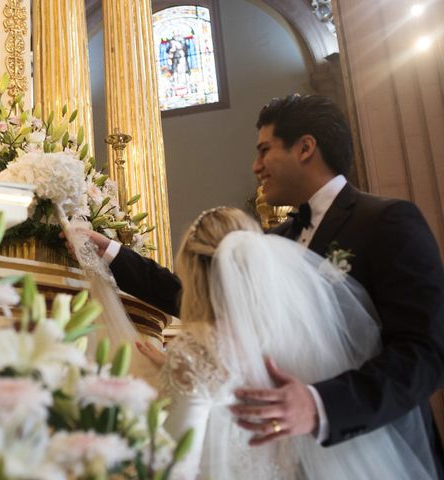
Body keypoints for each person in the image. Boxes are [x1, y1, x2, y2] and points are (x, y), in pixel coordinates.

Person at [86, 94, 444, 476]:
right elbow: (202, 296)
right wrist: (111, 253)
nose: (256, 166)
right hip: (285, 455)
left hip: (370, 446)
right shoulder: (275, 239)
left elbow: (424, 352)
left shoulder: (386, 221)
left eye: (264, 150)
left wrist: (318, 405)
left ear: (305, 148)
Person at [135, 206, 436, 479]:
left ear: (194, 272)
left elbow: (176, 464)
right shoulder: (286, 330)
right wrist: (183, 375)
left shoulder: (196, 347)